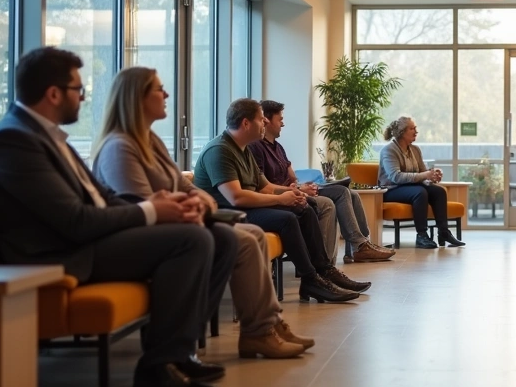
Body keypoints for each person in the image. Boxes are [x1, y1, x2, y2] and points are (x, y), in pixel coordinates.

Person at [0, 48, 235, 387]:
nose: (83, 98)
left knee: (219, 236)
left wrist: (163, 205)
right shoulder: (13, 141)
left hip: (87, 241)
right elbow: (74, 221)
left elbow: (103, 198)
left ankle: (180, 355)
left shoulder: (47, 136)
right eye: (78, 90)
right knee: (191, 239)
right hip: (61, 255)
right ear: (53, 94)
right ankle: (157, 370)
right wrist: (152, 212)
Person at [92, 67, 311, 359]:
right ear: (137, 98)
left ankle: (264, 327)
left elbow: (184, 185)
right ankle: (253, 331)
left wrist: (201, 202)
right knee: (245, 238)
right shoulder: (119, 147)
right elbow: (143, 205)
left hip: (178, 222)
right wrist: (194, 205)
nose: (167, 94)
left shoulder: (150, 141)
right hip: (150, 234)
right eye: (159, 89)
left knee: (253, 235)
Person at [194, 98, 368, 303]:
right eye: (261, 119)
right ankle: (311, 278)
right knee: (286, 218)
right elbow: (236, 197)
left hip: (246, 206)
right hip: (228, 213)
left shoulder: (243, 148)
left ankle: (324, 272)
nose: (265, 123)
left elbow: (266, 186)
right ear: (246, 123)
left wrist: (293, 193)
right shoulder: (220, 150)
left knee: (304, 208)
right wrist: (283, 200)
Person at [249, 100, 395, 264]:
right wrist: (298, 189)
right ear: (267, 121)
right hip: (286, 195)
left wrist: (301, 185)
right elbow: (264, 185)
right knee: (341, 193)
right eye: (280, 119)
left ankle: (359, 246)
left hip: (293, 190)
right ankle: (354, 249)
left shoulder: (278, 147)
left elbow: (292, 177)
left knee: (351, 193)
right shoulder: (256, 148)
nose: (283, 124)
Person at [378, 116, 464, 249]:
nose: (416, 131)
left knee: (438, 191)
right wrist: (424, 175)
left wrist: (432, 176)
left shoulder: (415, 149)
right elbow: (396, 177)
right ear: (402, 132)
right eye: (412, 128)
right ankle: (422, 235)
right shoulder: (389, 150)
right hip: (391, 189)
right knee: (420, 192)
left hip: (412, 188)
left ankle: (443, 233)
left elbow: (423, 173)